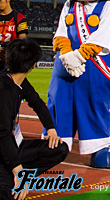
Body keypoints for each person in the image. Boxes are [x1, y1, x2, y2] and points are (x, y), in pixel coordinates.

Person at [0, 39, 69, 200]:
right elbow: (2, 134)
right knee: (9, 196)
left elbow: (38, 103)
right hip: (2, 148)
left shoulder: (19, 81)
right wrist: (18, 171)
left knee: (60, 148)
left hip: (13, 146)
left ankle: (15, 173)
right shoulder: (3, 90)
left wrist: (51, 130)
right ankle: (13, 174)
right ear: (33, 65)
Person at [0, 0, 28, 70]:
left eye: (0, 0)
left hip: (12, 63)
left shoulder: (20, 18)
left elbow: (22, 40)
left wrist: (10, 51)